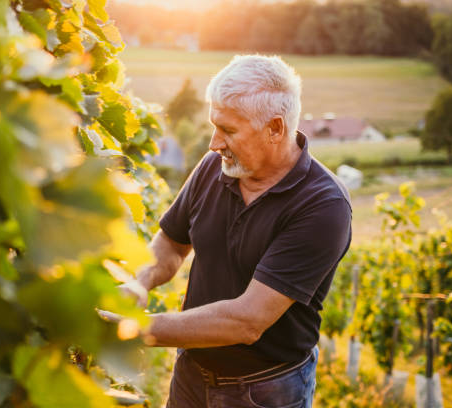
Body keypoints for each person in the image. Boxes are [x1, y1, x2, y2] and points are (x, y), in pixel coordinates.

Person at [122, 55, 352, 408]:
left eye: (228, 130)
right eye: (215, 126)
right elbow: (171, 242)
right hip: (191, 375)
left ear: (275, 129)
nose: (214, 143)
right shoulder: (216, 166)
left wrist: (135, 329)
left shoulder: (323, 205)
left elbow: (247, 321)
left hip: (264, 393)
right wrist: (140, 283)